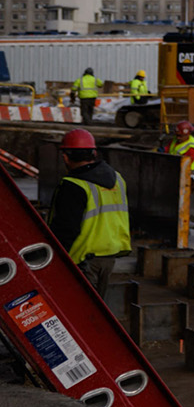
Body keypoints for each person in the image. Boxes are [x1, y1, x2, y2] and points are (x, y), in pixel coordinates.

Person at [49, 129, 131, 301]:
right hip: (109, 256)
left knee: (77, 309)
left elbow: (65, 228)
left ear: (65, 156)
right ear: (93, 152)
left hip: (82, 259)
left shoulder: (72, 185)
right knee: (95, 311)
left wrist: (52, 259)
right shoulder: (118, 178)